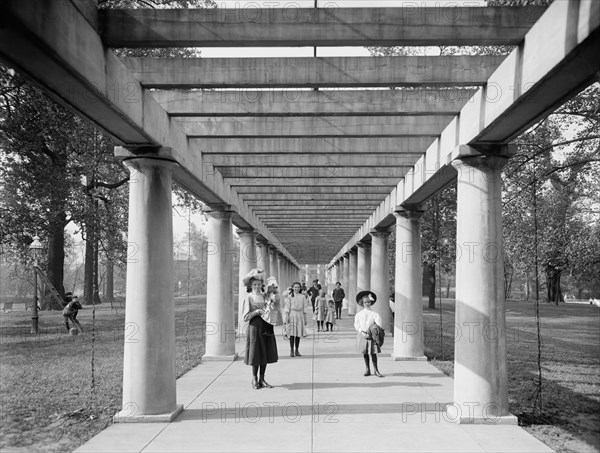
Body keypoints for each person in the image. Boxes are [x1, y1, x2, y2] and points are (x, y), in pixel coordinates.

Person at [241, 268, 278, 389]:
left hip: (266, 326)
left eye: (259, 284)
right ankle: (254, 379)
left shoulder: (265, 296)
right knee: (256, 353)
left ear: (262, 285)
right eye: (254, 285)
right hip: (255, 327)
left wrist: (272, 304)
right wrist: (256, 311)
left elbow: (273, 305)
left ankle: (262, 379)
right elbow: (245, 317)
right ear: (250, 286)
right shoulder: (248, 298)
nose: (257, 286)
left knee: (265, 352)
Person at [354, 290, 384, 377]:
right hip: (363, 335)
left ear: (371, 302)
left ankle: (376, 370)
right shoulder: (359, 314)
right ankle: (367, 369)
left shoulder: (375, 314)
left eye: (369, 302)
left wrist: (373, 330)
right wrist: (361, 332)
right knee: (365, 353)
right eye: (365, 302)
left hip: (372, 336)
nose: (367, 303)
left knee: (373, 353)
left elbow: (379, 324)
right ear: (362, 303)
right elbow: (356, 325)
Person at [283, 282, 308, 357]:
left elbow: (305, 307)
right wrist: (286, 318)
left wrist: (305, 318)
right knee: (292, 334)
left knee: (298, 334)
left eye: (298, 287)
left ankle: (297, 350)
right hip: (292, 315)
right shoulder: (289, 297)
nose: (297, 289)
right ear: (293, 288)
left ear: (300, 288)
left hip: (299, 315)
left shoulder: (302, 297)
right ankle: (291, 350)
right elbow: (287, 308)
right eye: (295, 287)